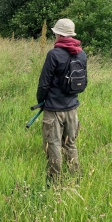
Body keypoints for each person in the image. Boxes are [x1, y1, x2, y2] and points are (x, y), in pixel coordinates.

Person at [36, 18, 87, 185]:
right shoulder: (81, 54)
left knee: (54, 144)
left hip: (54, 108)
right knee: (70, 144)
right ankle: (75, 177)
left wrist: (41, 101)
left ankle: (54, 182)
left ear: (58, 34)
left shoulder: (54, 54)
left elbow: (44, 83)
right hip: (72, 107)